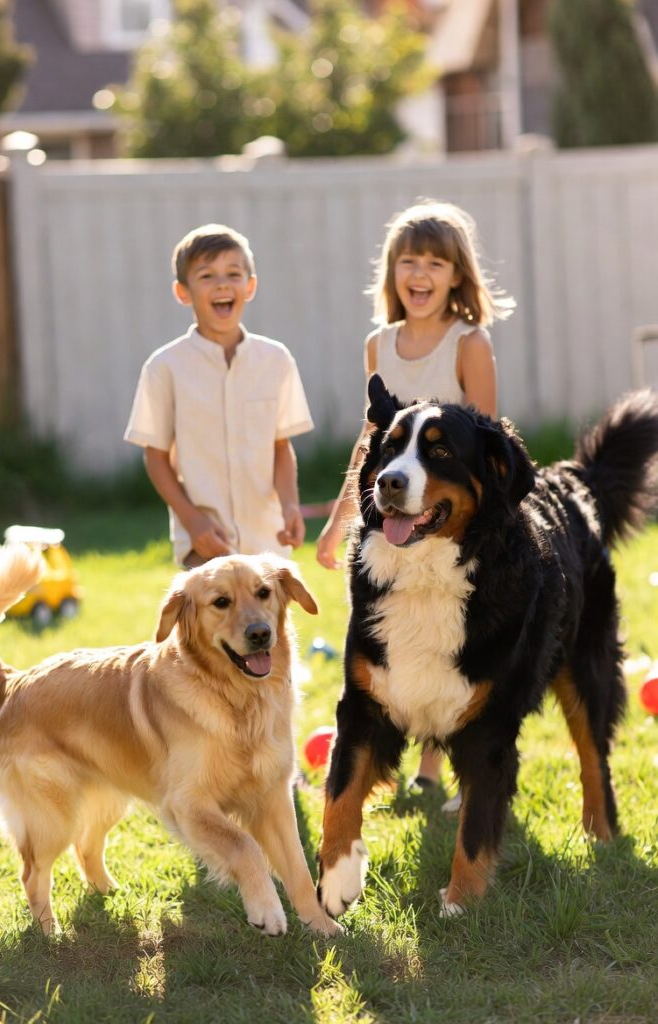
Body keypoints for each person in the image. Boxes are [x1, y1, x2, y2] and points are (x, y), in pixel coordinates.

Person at [316, 199, 514, 800]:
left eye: (435, 262)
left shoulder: (467, 343)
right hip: (394, 513)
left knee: (447, 635)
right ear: (392, 272)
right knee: (396, 630)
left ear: (457, 276)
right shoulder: (381, 342)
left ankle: (442, 768)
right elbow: (370, 439)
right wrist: (336, 522)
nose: (420, 273)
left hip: (447, 523)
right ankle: (392, 755)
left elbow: (486, 439)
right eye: (408, 260)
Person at [125, 224, 313, 568]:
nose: (223, 284)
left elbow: (281, 448)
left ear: (250, 286)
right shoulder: (164, 367)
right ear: (183, 292)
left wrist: (290, 506)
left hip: (267, 541)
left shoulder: (276, 360)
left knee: (272, 624)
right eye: (207, 275)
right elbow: (155, 457)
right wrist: (192, 520)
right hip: (205, 543)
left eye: (233, 274)